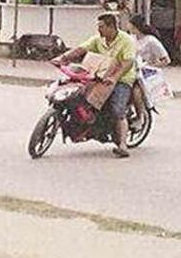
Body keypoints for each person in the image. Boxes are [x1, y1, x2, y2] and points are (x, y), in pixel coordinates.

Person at [51, 13, 137, 158]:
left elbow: (128, 63)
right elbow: (81, 49)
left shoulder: (126, 40)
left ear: (111, 27)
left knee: (117, 109)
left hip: (122, 79)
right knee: (79, 95)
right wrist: (63, 58)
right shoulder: (98, 39)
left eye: (101, 27)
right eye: (98, 27)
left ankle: (122, 144)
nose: (99, 30)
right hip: (99, 75)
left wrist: (114, 78)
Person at [128, 15, 170, 132]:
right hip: (131, 69)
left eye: (129, 24)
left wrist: (149, 66)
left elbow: (166, 60)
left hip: (145, 73)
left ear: (135, 26)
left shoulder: (151, 41)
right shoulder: (131, 38)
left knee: (136, 91)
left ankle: (140, 117)